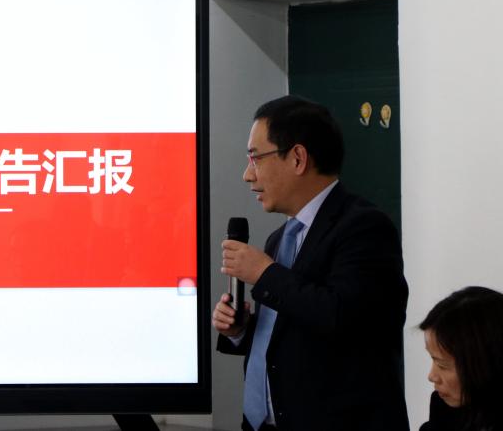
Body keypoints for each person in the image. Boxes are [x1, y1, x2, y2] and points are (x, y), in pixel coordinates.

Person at [212, 95, 409, 431]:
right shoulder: (280, 238)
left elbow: (345, 317)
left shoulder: (364, 227)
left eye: (255, 158)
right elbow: (293, 335)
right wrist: (241, 330)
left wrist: (264, 273)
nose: (247, 175)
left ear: (298, 158)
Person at [419, 286, 503, 431]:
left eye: (443, 366)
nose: (432, 376)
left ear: (487, 366)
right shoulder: (443, 408)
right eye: (433, 359)